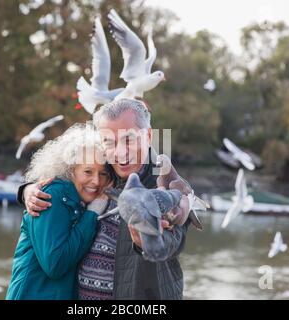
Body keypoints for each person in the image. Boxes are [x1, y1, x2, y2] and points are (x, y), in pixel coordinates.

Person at [18, 99, 192, 299]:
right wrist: (27, 190)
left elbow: (173, 240)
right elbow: (62, 178)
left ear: (149, 135)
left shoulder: (166, 185)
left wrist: (147, 241)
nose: (120, 152)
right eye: (109, 142)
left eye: (129, 139)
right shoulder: (101, 175)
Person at [6, 124, 111, 300]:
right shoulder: (54, 196)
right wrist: (92, 214)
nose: (96, 181)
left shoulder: (79, 201)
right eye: (88, 171)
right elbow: (55, 264)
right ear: (71, 171)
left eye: (103, 174)